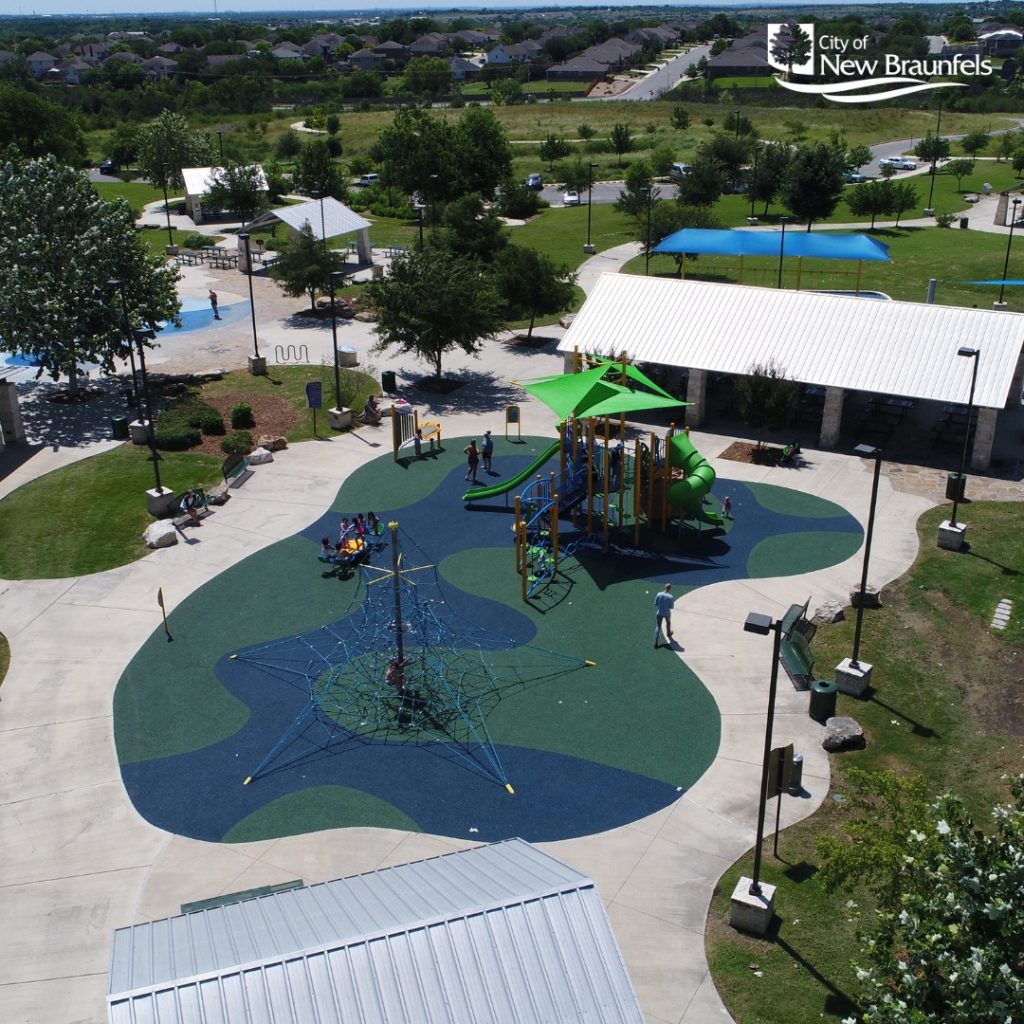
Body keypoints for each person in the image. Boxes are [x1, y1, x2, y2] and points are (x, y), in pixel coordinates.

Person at [654, 583, 675, 648]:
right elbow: (671, 607)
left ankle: (656, 641)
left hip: (659, 613)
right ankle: (668, 633)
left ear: (664, 587)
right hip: (667, 613)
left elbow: (656, 603)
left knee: (658, 626)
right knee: (668, 623)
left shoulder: (658, 594)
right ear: (670, 588)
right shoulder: (670, 597)